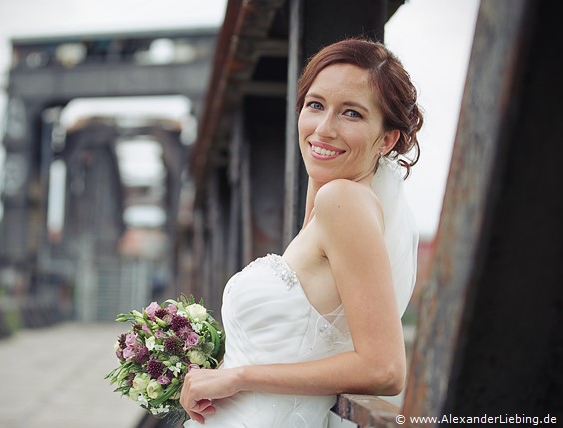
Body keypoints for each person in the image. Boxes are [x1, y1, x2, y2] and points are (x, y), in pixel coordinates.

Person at [181, 37, 423, 427]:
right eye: (316, 105)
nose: (323, 129)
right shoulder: (330, 198)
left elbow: (385, 369)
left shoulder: (343, 201)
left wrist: (238, 377)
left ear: (388, 139)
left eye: (352, 114)